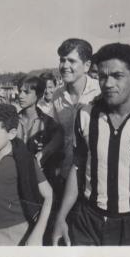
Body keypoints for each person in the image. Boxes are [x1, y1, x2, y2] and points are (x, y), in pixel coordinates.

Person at [52, 43, 130, 246]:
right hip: (88, 219)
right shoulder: (85, 114)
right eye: (102, 76)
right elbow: (78, 166)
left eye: (117, 76)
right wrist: (61, 216)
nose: (108, 83)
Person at [0, 104, 53, 246]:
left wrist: (38, 232)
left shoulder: (24, 161)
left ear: (12, 133)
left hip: (16, 234)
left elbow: (48, 195)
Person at [52, 38, 101, 180]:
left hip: (93, 176)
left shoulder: (100, 92)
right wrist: (45, 153)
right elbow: (60, 133)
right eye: (62, 60)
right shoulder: (57, 95)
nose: (65, 66)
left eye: (72, 61)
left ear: (86, 66)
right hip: (66, 173)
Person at [17, 76, 64, 194]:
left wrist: (44, 152)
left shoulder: (48, 123)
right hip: (15, 181)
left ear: (38, 94)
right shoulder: (12, 121)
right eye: (20, 91)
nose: (20, 95)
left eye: (26, 92)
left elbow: (59, 138)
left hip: (39, 184)